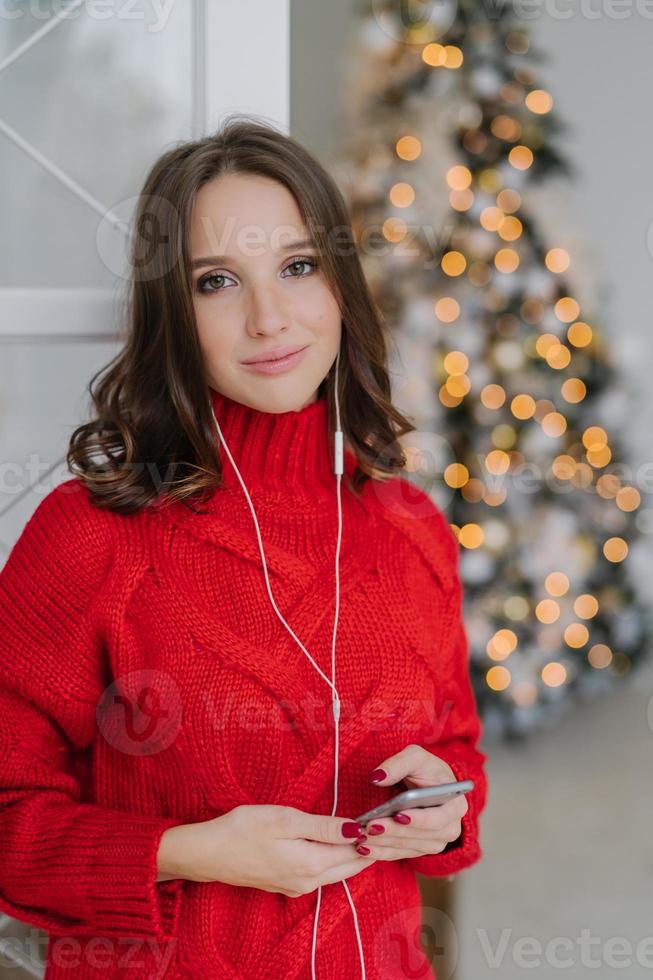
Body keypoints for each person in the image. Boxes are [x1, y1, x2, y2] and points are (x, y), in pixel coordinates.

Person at [0, 116, 488, 979]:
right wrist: (185, 852)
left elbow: (457, 754)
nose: (269, 318)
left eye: (298, 267)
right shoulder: (89, 537)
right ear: (172, 316)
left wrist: (442, 808)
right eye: (216, 281)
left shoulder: (412, 530)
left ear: (340, 287)